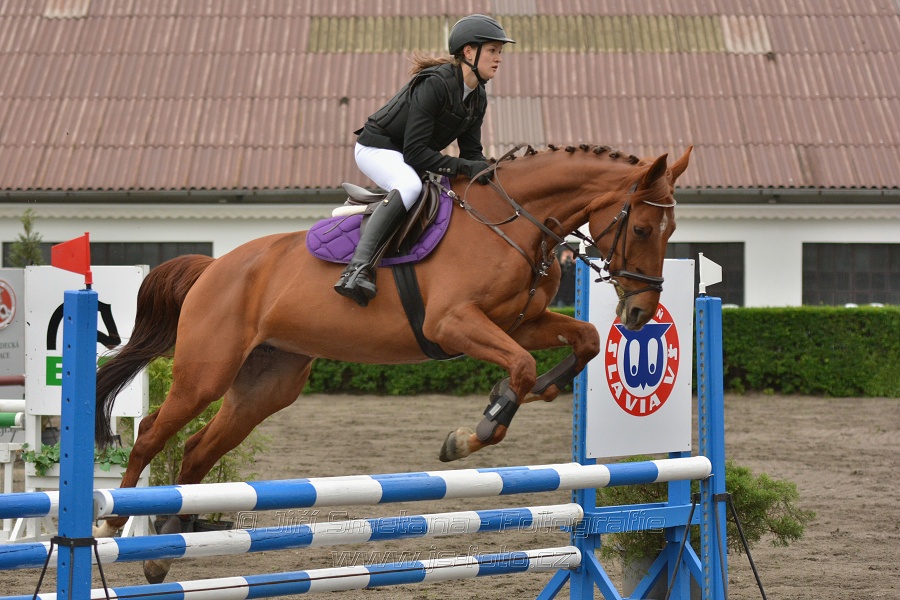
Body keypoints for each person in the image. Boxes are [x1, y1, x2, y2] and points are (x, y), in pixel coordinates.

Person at [334, 14, 515, 307]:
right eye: (493, 50)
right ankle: (356, 270)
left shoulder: (477, 97)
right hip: (377, 148)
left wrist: (494, 173)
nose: (499, 58)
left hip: (409, 155)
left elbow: (471, 154)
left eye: (500, 51)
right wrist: (465, 166)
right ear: (469, 52)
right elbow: (415, 153)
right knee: (409, 186)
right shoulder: (435, 84)